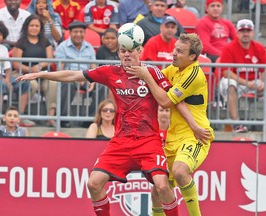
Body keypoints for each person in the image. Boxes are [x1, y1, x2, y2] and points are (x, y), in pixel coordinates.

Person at [16, 43, 181, 216]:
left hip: (148, 140)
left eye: (131, 51)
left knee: (162, 185)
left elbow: (167, 101)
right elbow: (73, 75)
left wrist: (146, 76)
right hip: (121, 141)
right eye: (122, 51)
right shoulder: (110, 72)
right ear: (118, 54)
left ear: (139, 51)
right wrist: (42, 74)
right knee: (93, 183)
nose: (126, 55)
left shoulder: (153, 72)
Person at [126, 33, 214, 216]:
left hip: (195, 135)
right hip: (173, 138)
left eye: (180, 51)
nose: (173, 53)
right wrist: (134, 58)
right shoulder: (174, 70)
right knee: (159, 188)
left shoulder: (194, 74)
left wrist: (147, 77)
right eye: (174, 48)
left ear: (192, 57)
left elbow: (166, 101)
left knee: (180, 171)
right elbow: (152, 77)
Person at [219, 19, 266, 133]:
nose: (245, 34)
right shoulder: (229, 47)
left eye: (248, 31)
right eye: (242, 31)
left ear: (253, 32)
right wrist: (246, 83)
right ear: (237, 33)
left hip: (254, 82)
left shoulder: (259, 47)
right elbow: (227, 72)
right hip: (238, 83)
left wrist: (264, 82)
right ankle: (236, 123)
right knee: (229, 83)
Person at [12, 14, 57, 127]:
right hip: (25, 74)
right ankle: (23, 115)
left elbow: (50, 60)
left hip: (42, 74)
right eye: (31, 25)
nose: (34, 28)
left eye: (37, 26)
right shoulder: (21, 42)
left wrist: (40, 66)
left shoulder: (45, 41)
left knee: (53, 84)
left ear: (40, 28)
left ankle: (50, 117)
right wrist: (31, 69)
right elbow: (16, 63)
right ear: (26, 26)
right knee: (32, 85)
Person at [0, 21, 34, 127]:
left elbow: (8, 67)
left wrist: (8, 80)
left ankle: (20, 116)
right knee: (0, 84)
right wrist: (4, 81)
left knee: (24, 82)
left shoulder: (4, 49)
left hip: (3, 77)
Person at [54, 21, 97, 128]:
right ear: (70, 33)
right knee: (66, 84)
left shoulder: (89, 47)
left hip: (87, 77)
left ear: (84, 33)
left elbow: (93, 66)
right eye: (75, 32)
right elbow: (60, 68)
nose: (78, 34)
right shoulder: (62, 47)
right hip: (69, 78)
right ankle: (63, 118)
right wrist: (74, 78)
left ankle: (91, 119)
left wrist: (94, 80)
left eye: (81, 32)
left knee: (102, 86)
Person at [96, 27, 119, 99]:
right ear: (103, 39)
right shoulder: (100, 51)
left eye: (112, 38)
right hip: (105, 80)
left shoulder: (122, 50)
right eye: (107, 38)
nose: (110, 40)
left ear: (117, 39)